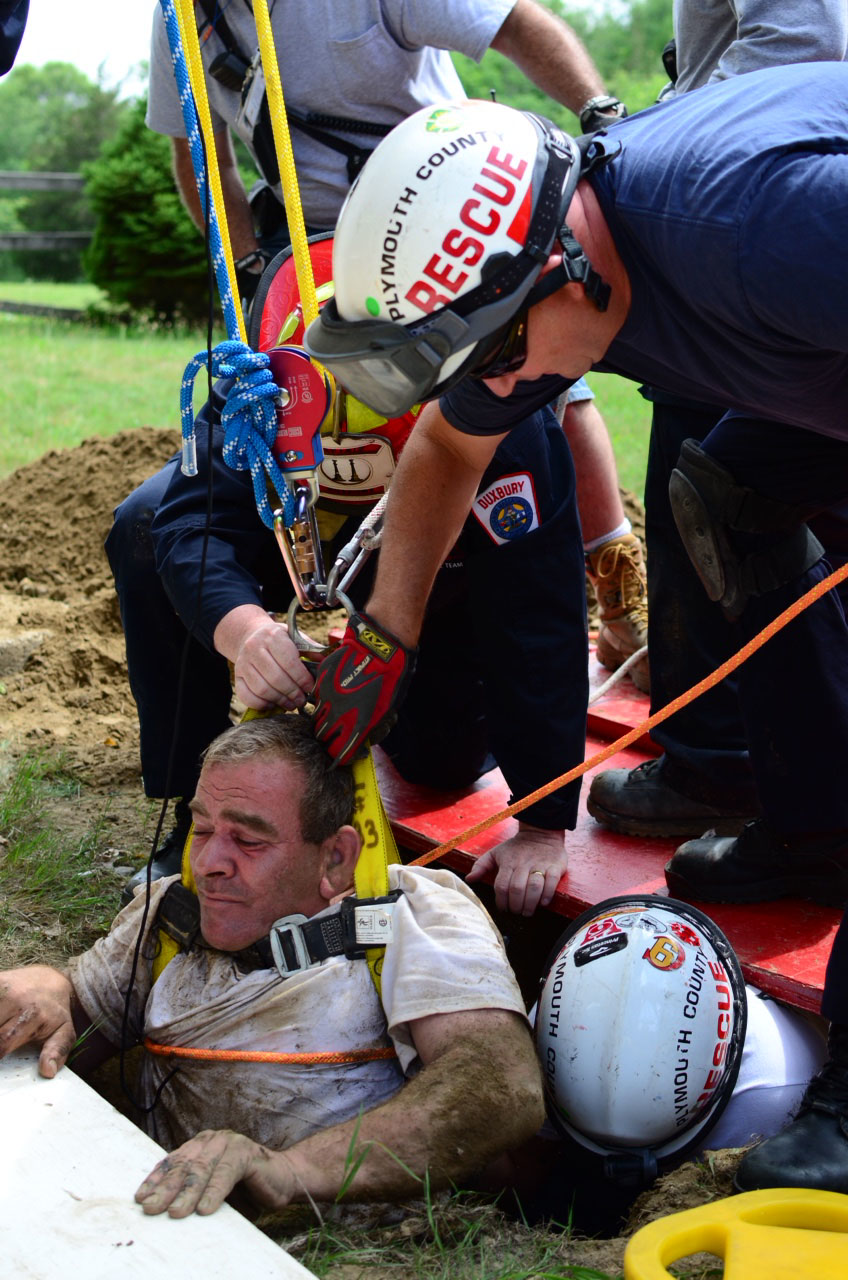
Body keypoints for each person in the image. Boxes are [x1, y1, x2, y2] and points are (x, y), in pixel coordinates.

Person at [302, 64, 848, 911]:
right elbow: (449, 448)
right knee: (730, 499)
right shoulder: (531, 291)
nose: (499, 387)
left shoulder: (768, 225)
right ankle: (820, 831)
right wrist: (386, 635)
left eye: (494, 359)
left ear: (561, 264)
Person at [145, 0, 648, 679]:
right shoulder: (179, 16)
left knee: (545, 379)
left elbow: (518, 23)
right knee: (286, 429)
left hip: (442, 215)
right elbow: (203, 161)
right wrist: (251, 277)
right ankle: (302, 603)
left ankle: (618, 597)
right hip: (309, 250)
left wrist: (604, 122)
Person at [0, 713, 544, 1218]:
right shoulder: (172, 915)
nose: (209, 863)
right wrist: (47, 988)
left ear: (335, 858)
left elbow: (498, 1087)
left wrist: (290, 1172)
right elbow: (75, 1016)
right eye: (204, 828)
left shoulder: (412, 916)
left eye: (248, 839)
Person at [586, 0, 848, 840]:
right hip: (736, 230)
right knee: (724, 493)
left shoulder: (759, 221)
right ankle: (803, 814)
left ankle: (724, 761)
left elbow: (806, 41)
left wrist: (680, 142)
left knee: (722, 493)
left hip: (752, 241)